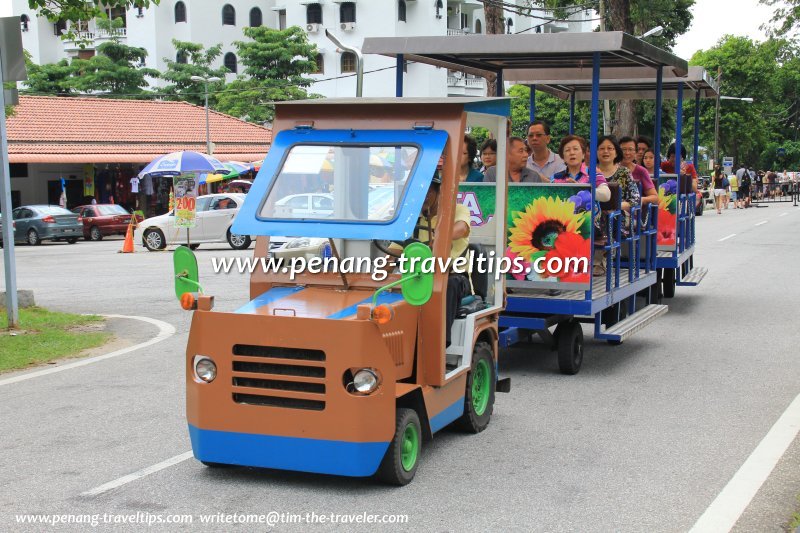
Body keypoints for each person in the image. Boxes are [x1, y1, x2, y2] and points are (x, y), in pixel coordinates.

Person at [414, 171, 471, 348]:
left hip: (456, 277)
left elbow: (461, 229)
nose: (423, 197)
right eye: (420, 191)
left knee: (447, 284)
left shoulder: (457, 210)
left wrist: (437, 240)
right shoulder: (412, 220)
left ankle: (437, 344)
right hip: (419, 278)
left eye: (428, 192)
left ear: (439, 192)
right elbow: (393, 252)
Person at [596, 135, 641, 238]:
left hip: (616, 216)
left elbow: (635, 199)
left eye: (610, 148)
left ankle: (610, 252)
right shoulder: (590, 172)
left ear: (616, 152)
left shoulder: (624, 172)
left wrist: (616, 206)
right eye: (602, 148)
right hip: (594, 216)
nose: (605, 151)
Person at [550, 135, 611, 201]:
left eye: (575, 149)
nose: (572, 153)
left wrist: (579, 189)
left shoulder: (594, 174)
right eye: (567, 150)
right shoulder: (555, 178)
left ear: (583, 154)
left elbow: (606, 195)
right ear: (563, 157)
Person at [483, 136, 548, 183]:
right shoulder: (492, 173)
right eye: (521, 151)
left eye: (525, 150)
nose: (526, 155)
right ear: (507, 154)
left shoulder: (534, 176)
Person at [619, 136, 658, 212]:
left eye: (630, 149)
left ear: (635, 152)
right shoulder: (612, 169)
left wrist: (642, 199)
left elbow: (655, 197)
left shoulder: (641, 171)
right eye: (623, 149)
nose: (627, 153)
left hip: (635, 214)